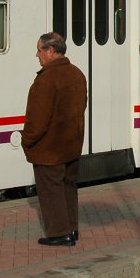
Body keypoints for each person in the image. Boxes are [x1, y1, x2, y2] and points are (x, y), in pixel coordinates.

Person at [21, 32, 88, 246]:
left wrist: (26, 141)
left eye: (39, 50)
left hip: (50, 149)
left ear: (50, 51)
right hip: (72, 145)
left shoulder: (46, 80)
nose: (37, 55)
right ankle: (72, 229)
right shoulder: (77, 74)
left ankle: (59, 233)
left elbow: (37, 120)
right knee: (68, 188)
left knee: (51, 191)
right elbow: (82, 106)